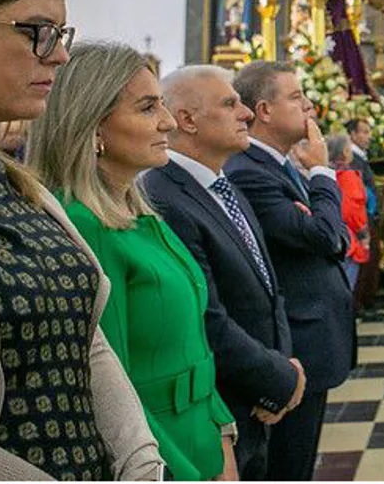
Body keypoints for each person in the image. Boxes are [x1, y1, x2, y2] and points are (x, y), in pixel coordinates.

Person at [0, 0, 163, 480]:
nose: (61, 54)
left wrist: (141, 464)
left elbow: (85, 343)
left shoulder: (18, 185)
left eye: (62, 32)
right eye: (38, 32)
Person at [28, 42, 238, 481]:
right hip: (164, 453)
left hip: (202, 436)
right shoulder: (86, 227)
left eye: (161, 104)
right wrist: (183, 474)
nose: (166, 121)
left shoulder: (139, 214)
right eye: (146, 108)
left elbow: (196, 341)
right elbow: (112, 385)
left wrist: (222, 433)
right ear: (94, 124)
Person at [144, 65, 304, 480]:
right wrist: (278, 378)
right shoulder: (165, 196)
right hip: (223, 405)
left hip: (260, 397)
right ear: (188, 120)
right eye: (229, 103)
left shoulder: (220, 184)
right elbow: (206, 317)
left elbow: (267, 286)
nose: (246, 114)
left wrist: (281, 366)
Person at [227, 62, 355, 481]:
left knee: (298, 462)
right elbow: (324, 235)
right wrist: (321, 171)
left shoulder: (276, 166)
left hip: (309, 340)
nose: (310, 106)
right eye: (297, 97)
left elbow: (335, 236)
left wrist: (320, 218)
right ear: (263, 110)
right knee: (286, 466)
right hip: (292, 346)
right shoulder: (250, 172)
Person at [345, 118, 382, 314]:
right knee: (365, 258)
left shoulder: (360, 157)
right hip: (361, 215)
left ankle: (366, 298)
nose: (369, 137)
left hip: (366, 213)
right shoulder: (353, 160)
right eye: (364, 132)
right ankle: (359, 301)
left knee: (372, 257)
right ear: (352, 134)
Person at [328, 134, 370, 291]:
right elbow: (352, 210)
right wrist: (363, 234)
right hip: (349, 238)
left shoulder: (325, 173)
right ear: (346, 151)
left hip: (332, 233)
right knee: (346, 288)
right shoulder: (348, 176)